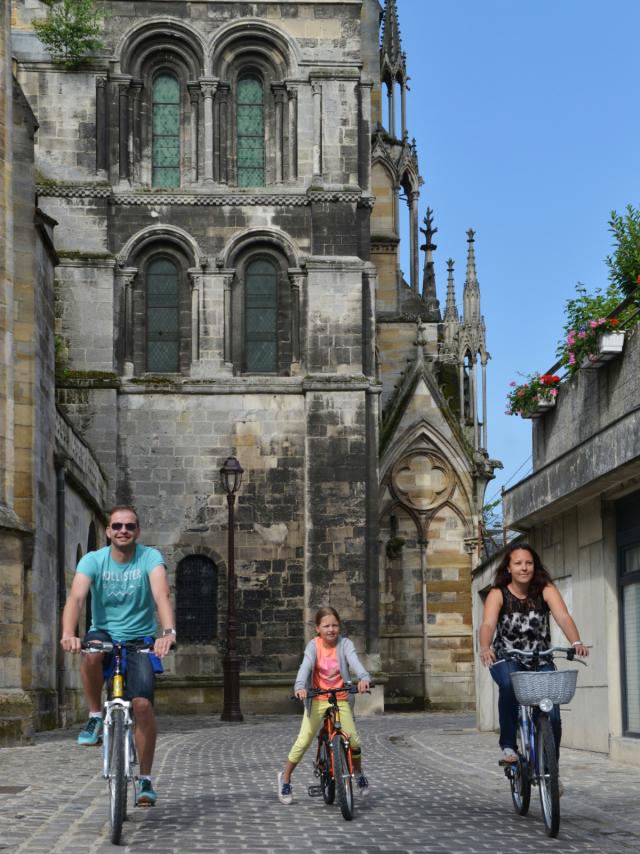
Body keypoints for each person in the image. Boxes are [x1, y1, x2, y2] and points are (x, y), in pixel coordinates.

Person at [60, 505, 177, 806]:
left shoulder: (150, 558)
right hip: (105, 633)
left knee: (141, 706)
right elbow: (75, 597)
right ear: (108, 531)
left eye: (129, 526)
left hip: (139, 640)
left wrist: (168, 632)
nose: (123, 530)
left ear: (137, 531)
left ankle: (146, 779)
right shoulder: (94, 560)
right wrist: (69, 633)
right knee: (90, 653)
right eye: (117, 526)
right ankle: (95, 716)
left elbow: (161, 595)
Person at [479, 541, 589, 768]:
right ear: (508, 568)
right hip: (506, 657)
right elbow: (488, 624)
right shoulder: (498, 594)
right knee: (509, 686)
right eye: (518, 563)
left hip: (541, 658)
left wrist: (576, 641)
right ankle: (509, 745)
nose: (524, 568)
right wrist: (485, 646)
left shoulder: (545, 589)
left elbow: (563, 617)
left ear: (535, 566)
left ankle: (551, 770)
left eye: (528, 563)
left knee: (553, 714)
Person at [278, 607, 371, 805]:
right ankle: (285, 778)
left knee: (353, 741)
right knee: (303, 741)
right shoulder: (313, 646)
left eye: (335, 625)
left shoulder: (345, 644)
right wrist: (300, 686)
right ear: (318, 629)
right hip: (318, 699)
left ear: (340, 627)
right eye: (326, 626)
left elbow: (355, 663)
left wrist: (363, 678)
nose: (331, 629)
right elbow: (305, 667)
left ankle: (358, 771)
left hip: (340, 697)